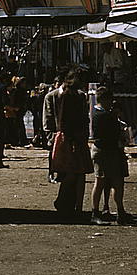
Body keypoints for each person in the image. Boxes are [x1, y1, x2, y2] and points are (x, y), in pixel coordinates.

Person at [48, 68, 93, 216]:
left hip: (73, 137)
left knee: (76, 173)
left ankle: (74, 205)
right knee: (76, 173)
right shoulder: (69, 97)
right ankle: (72, 205)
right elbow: (65, 120)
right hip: (72, 138)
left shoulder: (74, 96)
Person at [90, 88, 134, 225]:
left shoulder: (102, 113)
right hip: (104, 150)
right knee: (101, 182)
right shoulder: (102, 115)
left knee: (117, 182)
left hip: (111, 150)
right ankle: (95, 212)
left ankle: (119, 211)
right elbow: (108, 133)